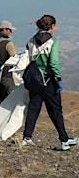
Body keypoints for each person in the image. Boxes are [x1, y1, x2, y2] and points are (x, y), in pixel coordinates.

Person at [21, 15, 78, 151]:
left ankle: (26, 137)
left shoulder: (31, 41)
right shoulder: (53, 41)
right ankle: (64, 140)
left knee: (34, 107)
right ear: (52, 26)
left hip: (33, 80)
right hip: (48, 80)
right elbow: (53, 62)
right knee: (55, 110)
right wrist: (58, 79)